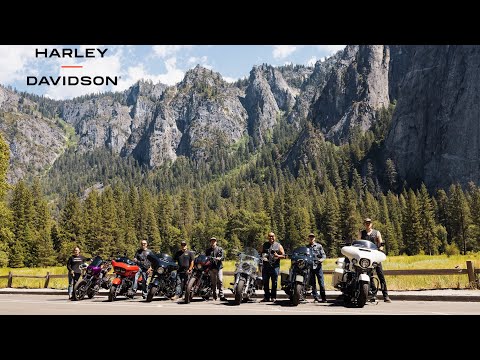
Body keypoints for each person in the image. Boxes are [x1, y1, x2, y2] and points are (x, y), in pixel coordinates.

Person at [359, 218, 392, 303]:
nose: (368, 224)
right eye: (366, 223)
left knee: (381, 276)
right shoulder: (361, 233)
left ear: (371, 224)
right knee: (369, 276)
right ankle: (373, 295)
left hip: (375, 256)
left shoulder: (376, 233)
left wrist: (380, 250)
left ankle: (386, 295)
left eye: (369, 223)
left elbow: (381, 244)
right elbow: (358, 243)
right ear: (364, 224)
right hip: (366, 257)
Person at [259, 232, 285, 302]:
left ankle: (273, 297)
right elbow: (259, 253)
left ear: (275, 237)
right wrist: (261, 259)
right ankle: (266, 297)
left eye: (272, 236)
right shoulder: (264, 245)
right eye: (270, 236)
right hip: (266, 266)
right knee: (265, 282)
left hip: (275, 267)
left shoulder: (278, 245)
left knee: (274, 282)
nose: (271, 238)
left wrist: (278, 256)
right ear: (268, 237)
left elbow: (284, 256)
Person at [307, 233, 327, 303]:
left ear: (314, 238)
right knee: (313, 284)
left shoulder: (319, 246)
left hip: (318, 267)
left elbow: (324, 256)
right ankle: (316, 297)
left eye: (312, 237)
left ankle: (324, 298)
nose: (311, 238)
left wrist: (320, 261)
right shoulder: (306, 247)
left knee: (321, 283)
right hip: (310, 267)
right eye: (310, 237)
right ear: (308, 238)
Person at [205, 237, 226, 301]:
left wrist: (219, 258)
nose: (213, 242)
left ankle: (221, 295)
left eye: (214, 241)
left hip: (219, 267)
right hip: (211, 268)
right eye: (212, 241)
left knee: (220, 280)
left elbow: (223, 257)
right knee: (213, 282)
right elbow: (206, 258)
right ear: (210, 242)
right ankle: (214, 295)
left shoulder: (220, 249)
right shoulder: (208, 250)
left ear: (216, 242)